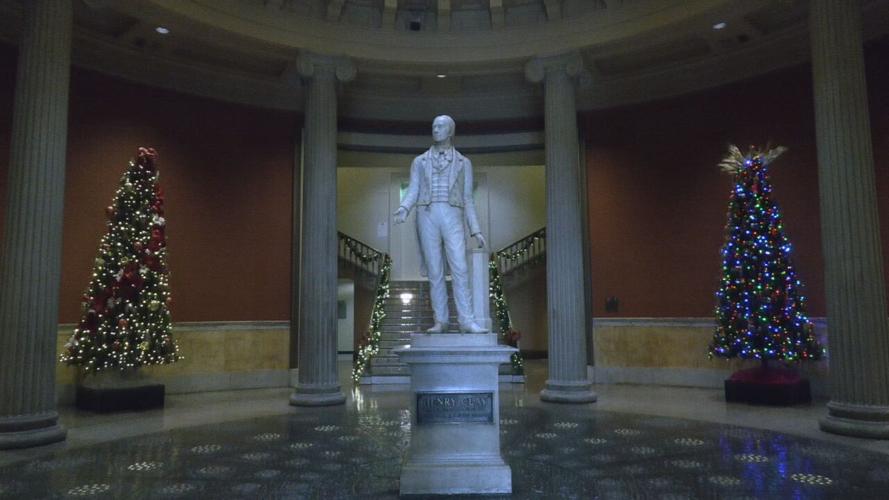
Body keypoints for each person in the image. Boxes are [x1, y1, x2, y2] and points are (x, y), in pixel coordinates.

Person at [394, 115, 487, 333]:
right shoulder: (419, 161)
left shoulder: (464, 163)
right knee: (435, 270)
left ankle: (466, 320)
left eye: (440, 126)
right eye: (433, 126)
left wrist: (476, 229)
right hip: (426, 213)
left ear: (450, 131)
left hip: (453, 213)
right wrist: (404, 208)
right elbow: (414, 189)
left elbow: (468, 199)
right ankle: (441, 321)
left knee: (460, 268)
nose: (435, 129)